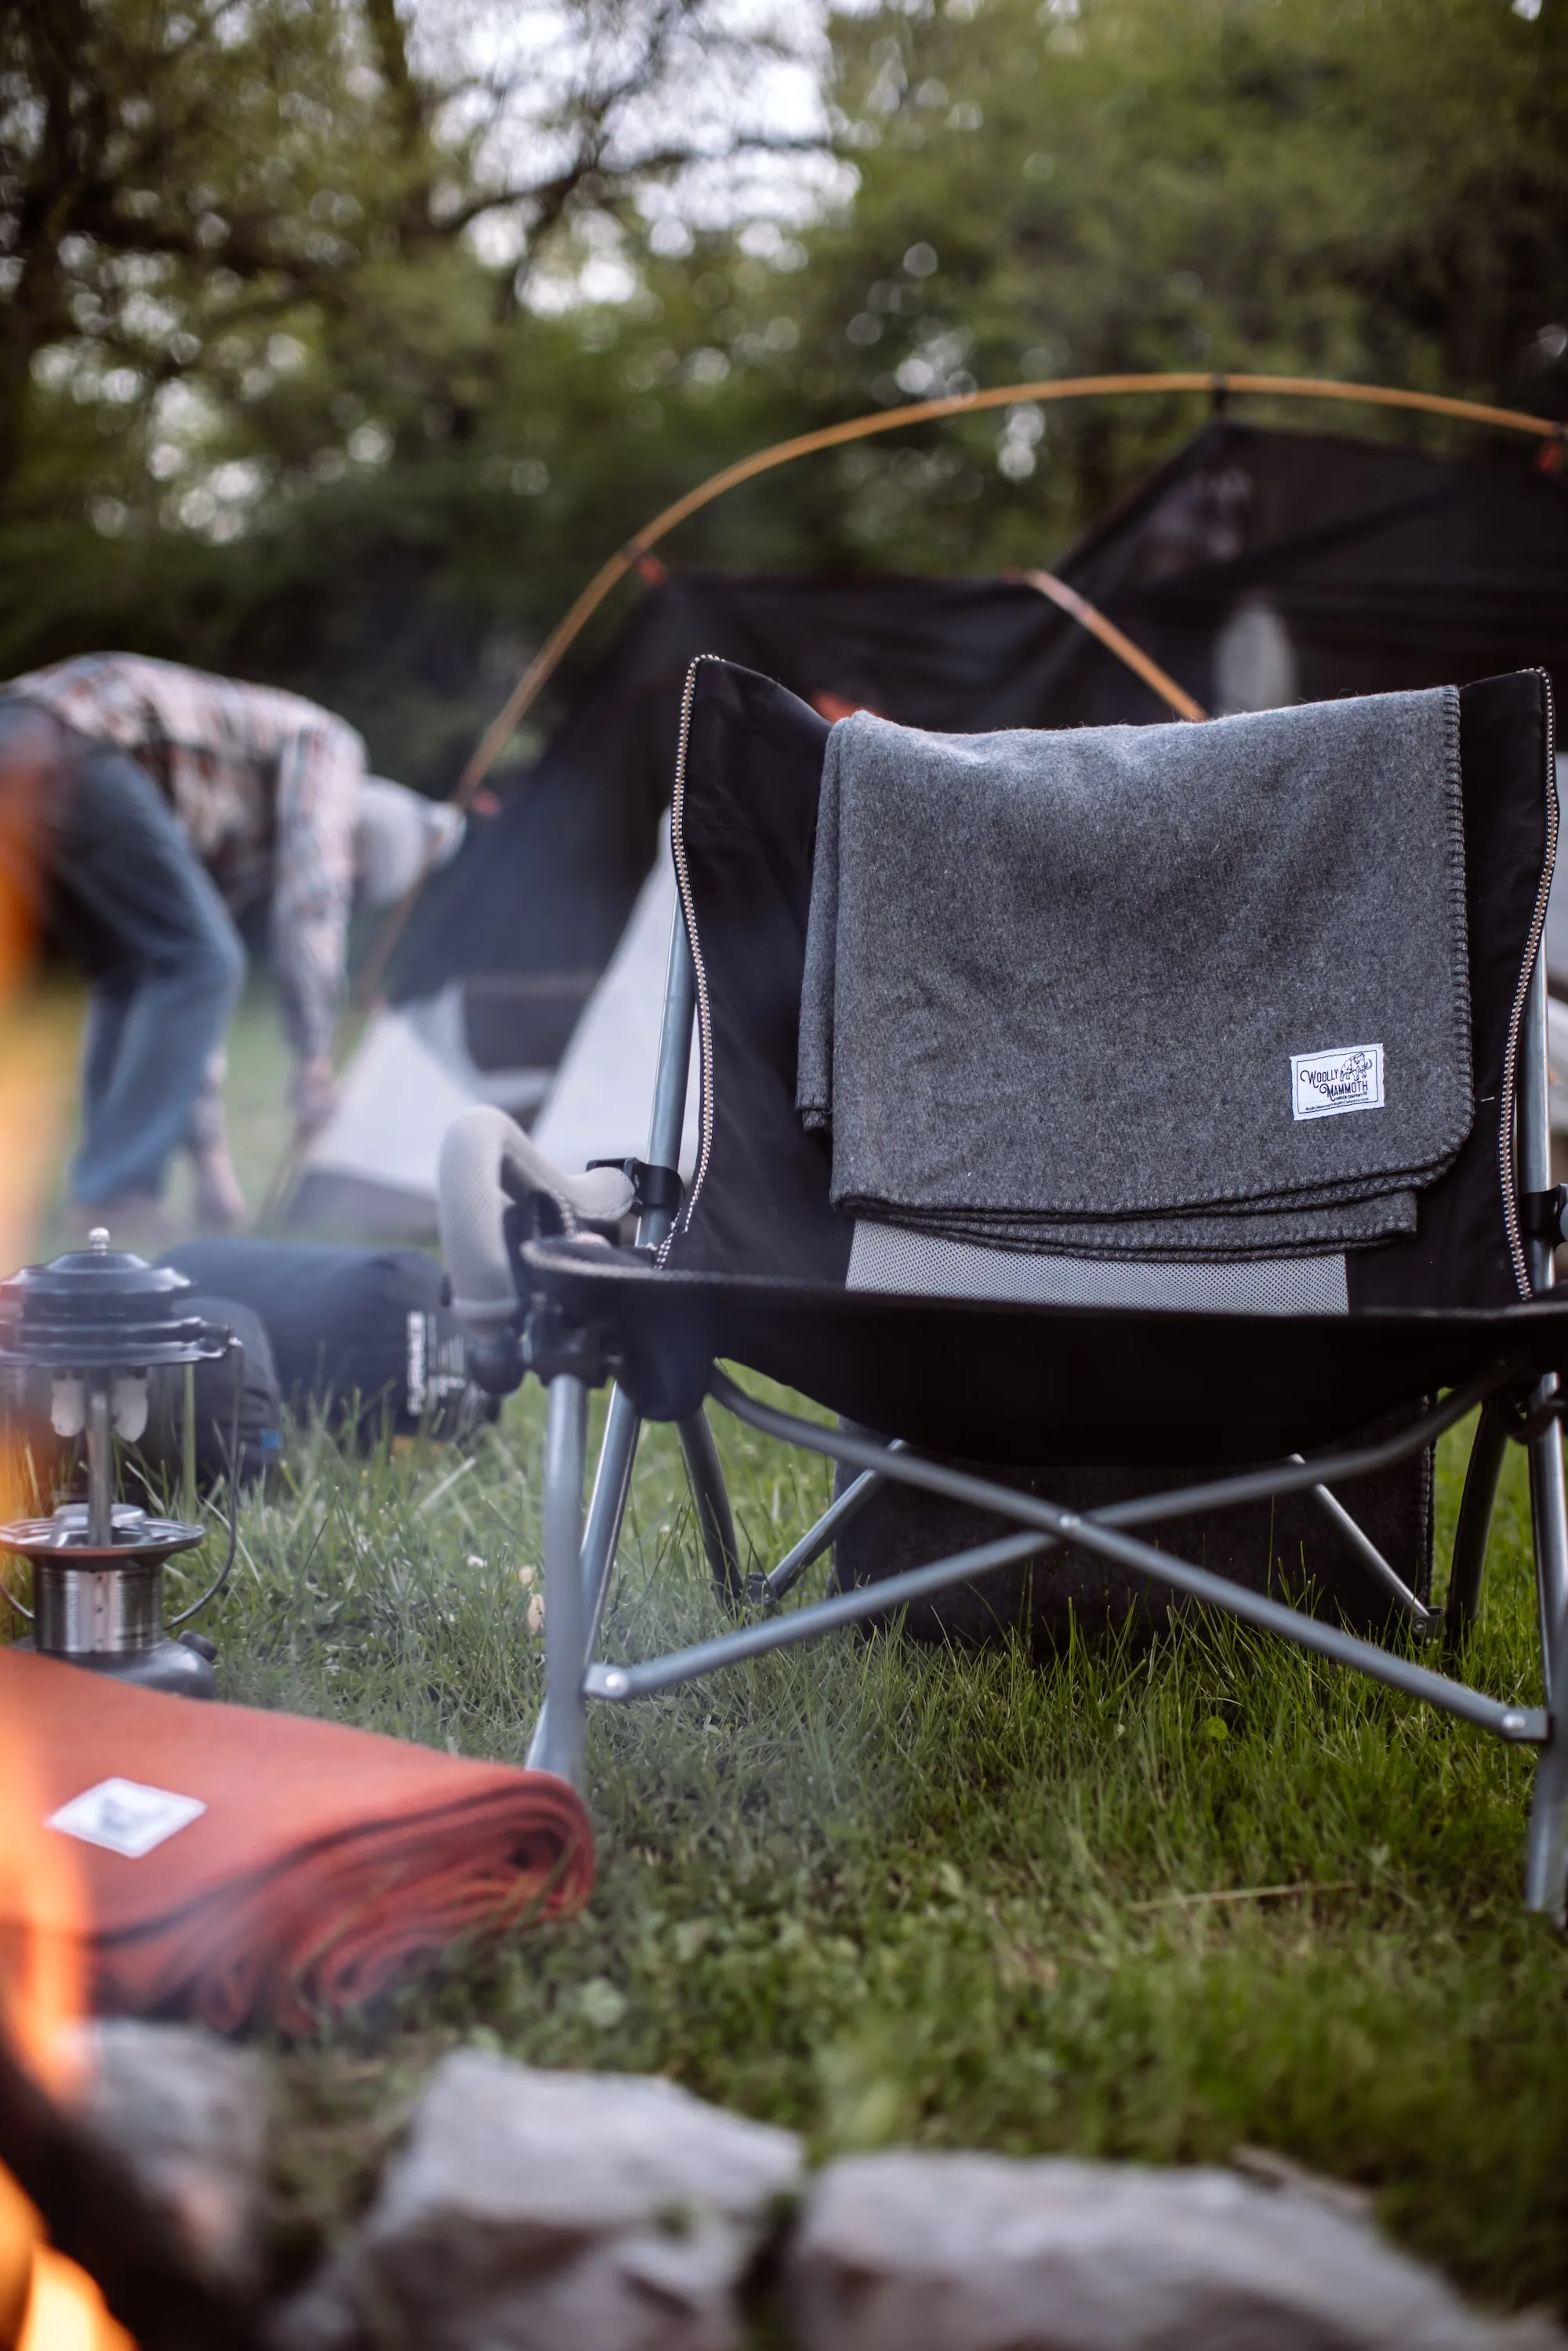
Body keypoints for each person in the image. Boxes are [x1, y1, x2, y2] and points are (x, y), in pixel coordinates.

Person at [0, 653, 462, 1233]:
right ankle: (114, 1193)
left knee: (132, 976)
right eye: (358, 874)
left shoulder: (235, 847)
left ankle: (99, 1195)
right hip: (72, 734)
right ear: (359, 835)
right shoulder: (329, 747)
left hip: (28, 740)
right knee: (200, 963)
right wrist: (314, 1059)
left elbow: (188, 1018)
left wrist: (213, 1170)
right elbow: (311, 903)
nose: (347, 882)